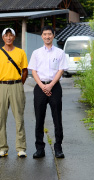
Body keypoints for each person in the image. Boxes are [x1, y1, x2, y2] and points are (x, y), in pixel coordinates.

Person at [28, 26, 68, 159]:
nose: (47, 36)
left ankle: (58, 148)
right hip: (40, 87)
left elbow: (61, 70)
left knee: (57, 117)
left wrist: (50, 85)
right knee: (39, 118)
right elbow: (33, 70)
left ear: (53, 35)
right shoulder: (36, 53)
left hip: (55, 87)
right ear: (41, 36)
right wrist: (42, 86)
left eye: (49, 34)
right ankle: (40, 148)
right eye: (44, 34)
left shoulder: (59, 53)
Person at [0, 28, 28, 158]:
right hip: (2, 86)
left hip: (16, 85)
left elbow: (25, 71)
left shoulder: (21, 52)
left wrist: (19, 83)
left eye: (11, 35)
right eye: (6, 35)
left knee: (19, 117)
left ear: (14, 37)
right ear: (3, 38)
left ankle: (21, 148)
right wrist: (2, 80)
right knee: (1, 117)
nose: (8, 38)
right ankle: (2, 148)